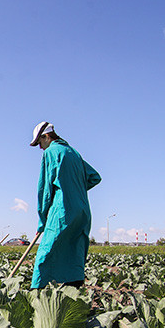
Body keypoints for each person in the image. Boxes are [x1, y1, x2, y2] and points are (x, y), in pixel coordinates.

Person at [29, 121, 101, 289]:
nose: (40, 147)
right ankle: (74, 293)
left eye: (39, 142)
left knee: (45, 254)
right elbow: (95, 177)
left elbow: (45, 190)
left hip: (63, 210)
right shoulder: (73, 153)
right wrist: (74, 189)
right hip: (82, 210)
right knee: (74, 251)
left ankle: (35, 293)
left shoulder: (51, 152)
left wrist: (42, 219)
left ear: (46, 136)